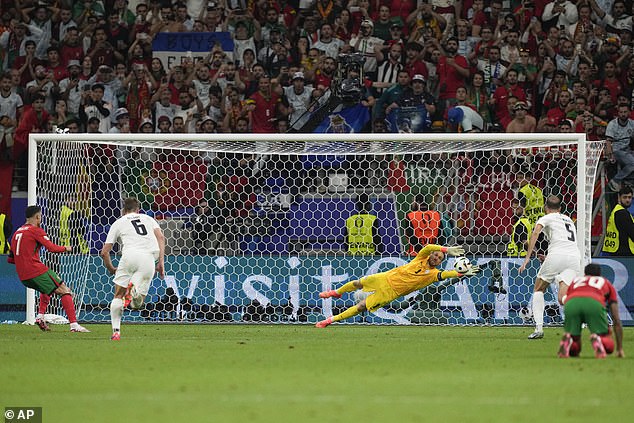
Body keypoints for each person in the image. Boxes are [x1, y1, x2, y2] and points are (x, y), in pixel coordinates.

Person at [316, 244, 480, 327]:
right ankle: (336, 292)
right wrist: (446, 249)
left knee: (361, 307)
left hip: (390, 293)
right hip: (385, 277)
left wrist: (461, 273)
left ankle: (329, 320)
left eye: (439, 258)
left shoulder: (432, 275)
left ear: (439, 263)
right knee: (358, 282)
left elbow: (446, 274)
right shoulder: (420, 258)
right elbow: (429, 246)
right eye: (436, 255)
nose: (436, 257)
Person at [7, 205, 90, 333]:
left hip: (23, 276)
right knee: (64, 290)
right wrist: (67, 248)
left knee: (47, 288)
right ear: (37, 217)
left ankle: (40, 316)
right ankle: (74, 325)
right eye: (40, 216)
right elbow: (52, 248)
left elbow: (11, 259)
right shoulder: (35, 230)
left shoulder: (17, 233)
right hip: (34, 269)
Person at [100, 197, 165, 341]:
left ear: (124, 211)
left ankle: (116, 332)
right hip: (149, 259)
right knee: (138, 304)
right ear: (138, 210)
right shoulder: (148, 219)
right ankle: (134, 291)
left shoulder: (119, 222)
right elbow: (161, 237)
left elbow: (104, 252)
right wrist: (161, 263)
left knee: (118, 296)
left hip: (129, 256)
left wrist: (111, 268)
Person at [519, 195, 582, 339]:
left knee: (538, 289)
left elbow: (535, 233)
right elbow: (565, 242)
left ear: (545, 208)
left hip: (557, 255)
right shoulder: (569, 220)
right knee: (562, 298)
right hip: (573, 257)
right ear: (560, 208)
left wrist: (527, 258)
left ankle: (539, 329)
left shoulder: (545, 218)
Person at [558, 263, 625, 358]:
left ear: (585, 274)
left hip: (571, 304)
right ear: (599, 274)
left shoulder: (576, 280)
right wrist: (619, 349)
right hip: (594, 303)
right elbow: (616, 318)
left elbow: (566, 297)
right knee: (608, 347)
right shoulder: (604, 281)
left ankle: (569, 340)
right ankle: (599, 339)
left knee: (574, 348)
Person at [602, 185, 634, 256]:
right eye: (625, 197)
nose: (627, 200)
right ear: (619, 198)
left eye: (629, 197)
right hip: (624, 252)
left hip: (616, 250)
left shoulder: (616, 210)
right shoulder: (622, 213)